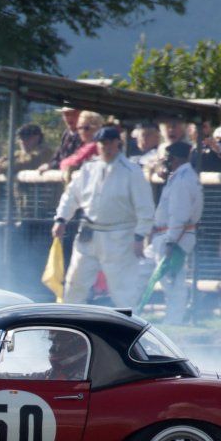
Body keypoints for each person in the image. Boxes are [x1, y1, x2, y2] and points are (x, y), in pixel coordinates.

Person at [51, 124, 154, 308]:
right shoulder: (88, 169)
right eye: (101, 143)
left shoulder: (132, 171)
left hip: (120, 236)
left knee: (123, 289)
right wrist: (61, 219)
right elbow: (71, 196)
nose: (105, 147)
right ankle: (69, 325)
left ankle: (128, 329)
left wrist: (139, 237)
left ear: (118, 143)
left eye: (109, 143)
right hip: (88, 233)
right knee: (75, 282)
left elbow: (145, 208)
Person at [147, 140, 203, 324]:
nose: (167, 162)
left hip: (175, 237)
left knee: (173, 282)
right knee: (156, 275)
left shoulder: (183, 179)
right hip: (169, 235)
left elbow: (179, 214)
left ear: (175, 158)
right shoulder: (181, 175)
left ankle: (174, 320)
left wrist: (171, 242)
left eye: (169, 158)